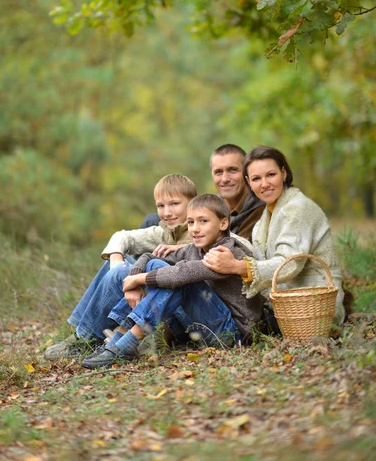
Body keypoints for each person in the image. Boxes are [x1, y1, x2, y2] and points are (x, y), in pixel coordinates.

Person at [81, 194, 264, 369]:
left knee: (180, 280)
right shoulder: (193, 249)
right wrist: (133, 280)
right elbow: (148, 256)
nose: (195, 229)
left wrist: (138, 278)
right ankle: (119, 339)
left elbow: (183, 273)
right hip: (202, 325)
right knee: (156, 263)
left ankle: (124, 344)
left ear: (223, 223)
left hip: (231, 334)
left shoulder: (227, 253)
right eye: (191, 222)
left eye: (203, 221)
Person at [44, 174, 197, 360]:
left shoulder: (200, 231)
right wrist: (118, 264)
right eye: (160, 206)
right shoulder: (164, 232)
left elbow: (228, 243)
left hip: (180, 311)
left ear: (192, 204)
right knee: (117, 263)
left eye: (174, 204)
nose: (166, 212)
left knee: (137, 269)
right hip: (158, 306)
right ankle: (83, 335)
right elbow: (122, 237)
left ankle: (86, 338)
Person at [203, 146, 345, 325]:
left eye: (271, 175)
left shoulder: (298, 209)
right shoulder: (266, 217)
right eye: (256, 178)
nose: (264, 184)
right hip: (284, 306)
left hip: (316, 309)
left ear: (283, 173)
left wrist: (237, 266)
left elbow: (288, 264)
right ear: (249, 182)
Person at [140, 144, 265, 239]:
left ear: (246, 173)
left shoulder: (257, 208)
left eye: (233, 170)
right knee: (152, 220)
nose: (225, 179)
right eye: (218, 172)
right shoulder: (214, 203)